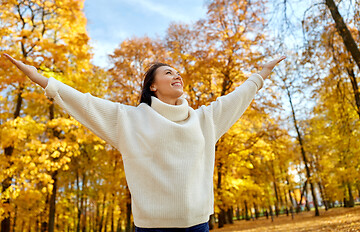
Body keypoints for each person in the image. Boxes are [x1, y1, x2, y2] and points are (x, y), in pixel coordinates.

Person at [3, 53, 285, 232]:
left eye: (177, 72)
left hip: (197, 226)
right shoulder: (129, 119)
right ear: (153, 86)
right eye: (168, 72)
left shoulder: (204, 119)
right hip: (153, 229)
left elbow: (235, 99)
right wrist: (40, 79)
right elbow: (85, 103)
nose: (177, 75)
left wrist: (261, 74)